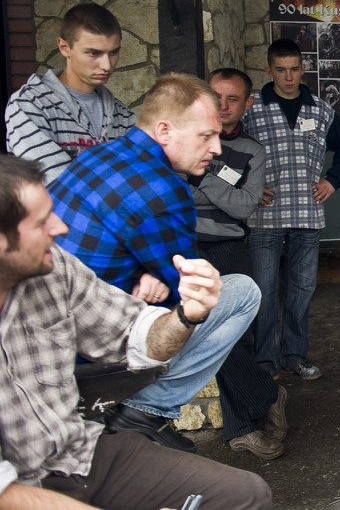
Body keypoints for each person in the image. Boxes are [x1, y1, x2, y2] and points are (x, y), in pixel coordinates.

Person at [0, 154, 273, 509]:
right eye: (41, 223)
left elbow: (137, 334)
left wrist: (188, 314)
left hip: (81, 454)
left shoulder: (55, 271)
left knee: (245, 495)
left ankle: (142, 415)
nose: (60, 227)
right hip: (18, 486)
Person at [47, 74, 261, 454]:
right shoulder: (164, 189)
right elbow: (191, 294)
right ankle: (144, 409)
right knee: (242, 291)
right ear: (164, 130)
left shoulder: (98, 154)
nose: (215, 148)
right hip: (92, 348)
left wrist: (144, 272)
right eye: (205, 136)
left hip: (53, 328)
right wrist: (161, 286)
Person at [243, 38, 340, 380]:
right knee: (263, 292)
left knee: (301, 291)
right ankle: (266, 362)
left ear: (303, 70)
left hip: (308, 216)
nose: (288, 77)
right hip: (265, 217)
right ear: (269, 71)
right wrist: (246, 186)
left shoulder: (320, 110)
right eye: (280, 70)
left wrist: (332, 181)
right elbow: (224, 149)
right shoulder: (252, 110)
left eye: (294, 69)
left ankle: (294, 356)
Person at [190, 68, 288, 460]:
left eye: (233, 99)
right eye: (217, 97)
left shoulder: (251, 151)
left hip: (228, 246)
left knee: (231, 334)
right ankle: (265, 396)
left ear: (247, 103)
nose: (223, 106)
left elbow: (245, 205)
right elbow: (167, 194)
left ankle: (241, 427)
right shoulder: (186, 140)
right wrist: (221, 190)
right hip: (182, 246)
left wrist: (200, 178)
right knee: (205, 334)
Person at [5, 2, 135, 182]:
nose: (107, 65)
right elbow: (55, 185)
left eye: (113, 52)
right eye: (93, 53)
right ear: (64, 47)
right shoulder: (29, 104)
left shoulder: (124, 116)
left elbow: (146, 177)